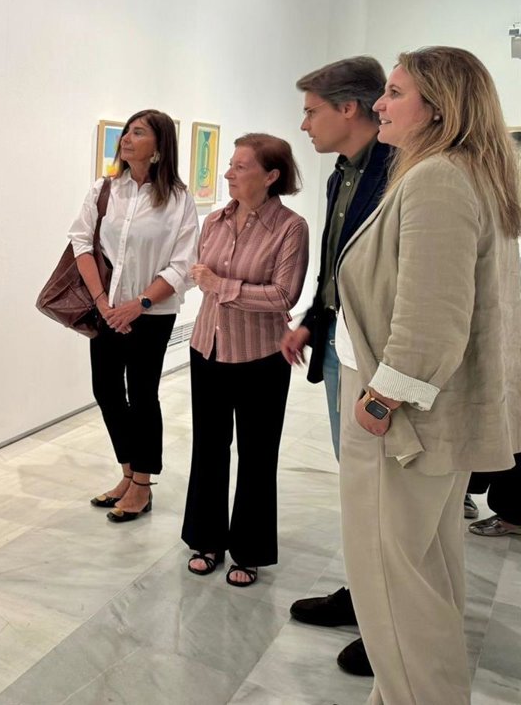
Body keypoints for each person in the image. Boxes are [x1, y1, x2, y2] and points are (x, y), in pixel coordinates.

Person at [334, 47, 521, 705]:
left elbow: (432, 320)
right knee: (424, 575)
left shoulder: (439, 177)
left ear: (439, 107)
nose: (379, 104)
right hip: (430, 417)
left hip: (405, 422)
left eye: (394, 92)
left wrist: (381, 400)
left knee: (393, 587)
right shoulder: (466, 172)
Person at [277, 57, 392, 676]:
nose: (304, 125)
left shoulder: (402, 172)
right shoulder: (341, 174)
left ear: (349, 109)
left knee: (385, 495)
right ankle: (363, 596)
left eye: (311, 111)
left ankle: (389, 625)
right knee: (358, 486)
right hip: (339, 346)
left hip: (378, 358)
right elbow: (336, 268)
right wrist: (311, 320)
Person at [181, 134, 308, 586]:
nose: (228, 173)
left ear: (271, 176)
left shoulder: (291, 228)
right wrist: (214, 284)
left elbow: (283, 296)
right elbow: (199, 275)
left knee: (257, 455)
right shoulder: (215, 220)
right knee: (208, 448)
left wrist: (220, 285)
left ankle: (249, 550)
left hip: (261, 357)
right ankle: (206, 538)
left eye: (240, 166)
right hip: (208, 347)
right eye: (230, 165)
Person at [68, 110, 198, 523]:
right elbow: (80, 242)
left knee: (142, 394)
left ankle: (143, 482)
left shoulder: (178, 200)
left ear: (159, 146)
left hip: (152, 313)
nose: (126, 138)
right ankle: (127, 472)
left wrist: (137, 304)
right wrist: (104, 302)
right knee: (106, 390)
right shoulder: (105, 188)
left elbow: (183, 265)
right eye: (126, 131)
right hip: (106, 310)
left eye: (138, 132)